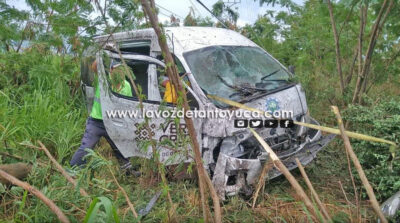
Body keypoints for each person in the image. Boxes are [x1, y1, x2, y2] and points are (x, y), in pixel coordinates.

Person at [70, 61, 138, 176]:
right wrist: (101, 52)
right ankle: (74, 170)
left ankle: (127, 171)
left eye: (122, 70)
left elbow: (129, 104)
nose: (120, 72)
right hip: (97, 122)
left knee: (119, 147)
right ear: (111, 71)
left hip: (113, 123)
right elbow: (94, 66)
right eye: (117, 69)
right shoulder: (103, 81)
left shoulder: (126, 85)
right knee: (86, 147)